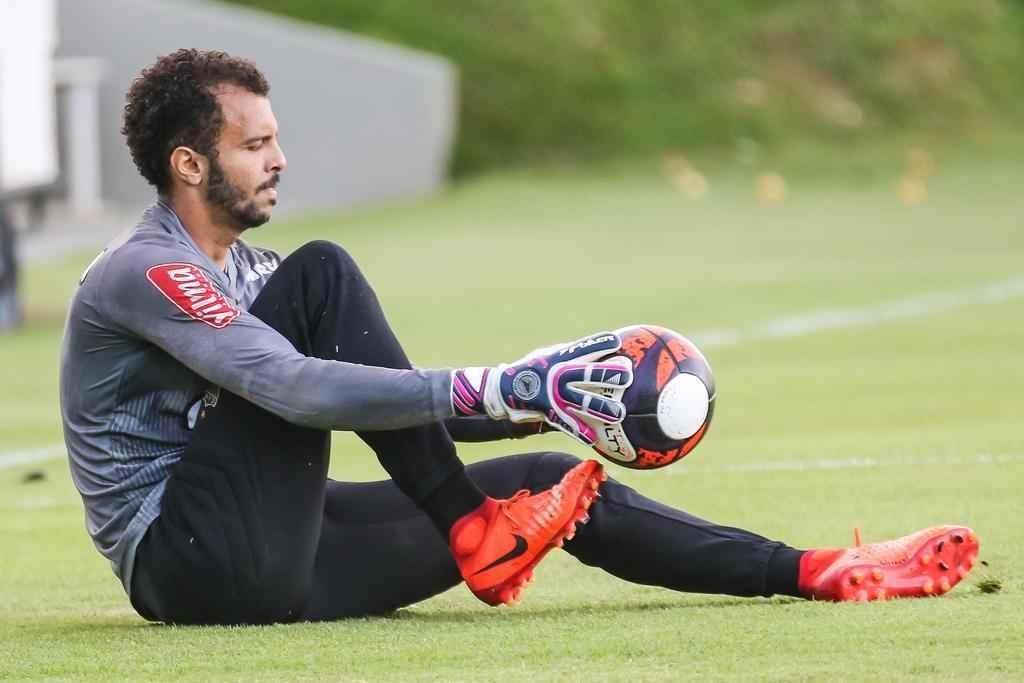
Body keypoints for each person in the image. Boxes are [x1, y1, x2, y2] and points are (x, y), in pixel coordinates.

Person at [59, 49, 979, 625]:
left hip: (276, 562)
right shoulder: (146, 270)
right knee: (329, 269)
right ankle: (469, 527)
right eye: (254, 143)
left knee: (547, 488)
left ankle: (820, 571)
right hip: (190, 564)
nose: (280, 159)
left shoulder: (253, 276)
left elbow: (391, 407)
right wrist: (504, 384)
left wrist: (550, 401)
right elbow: (298, 391)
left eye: (275, 139)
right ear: (190, 163)